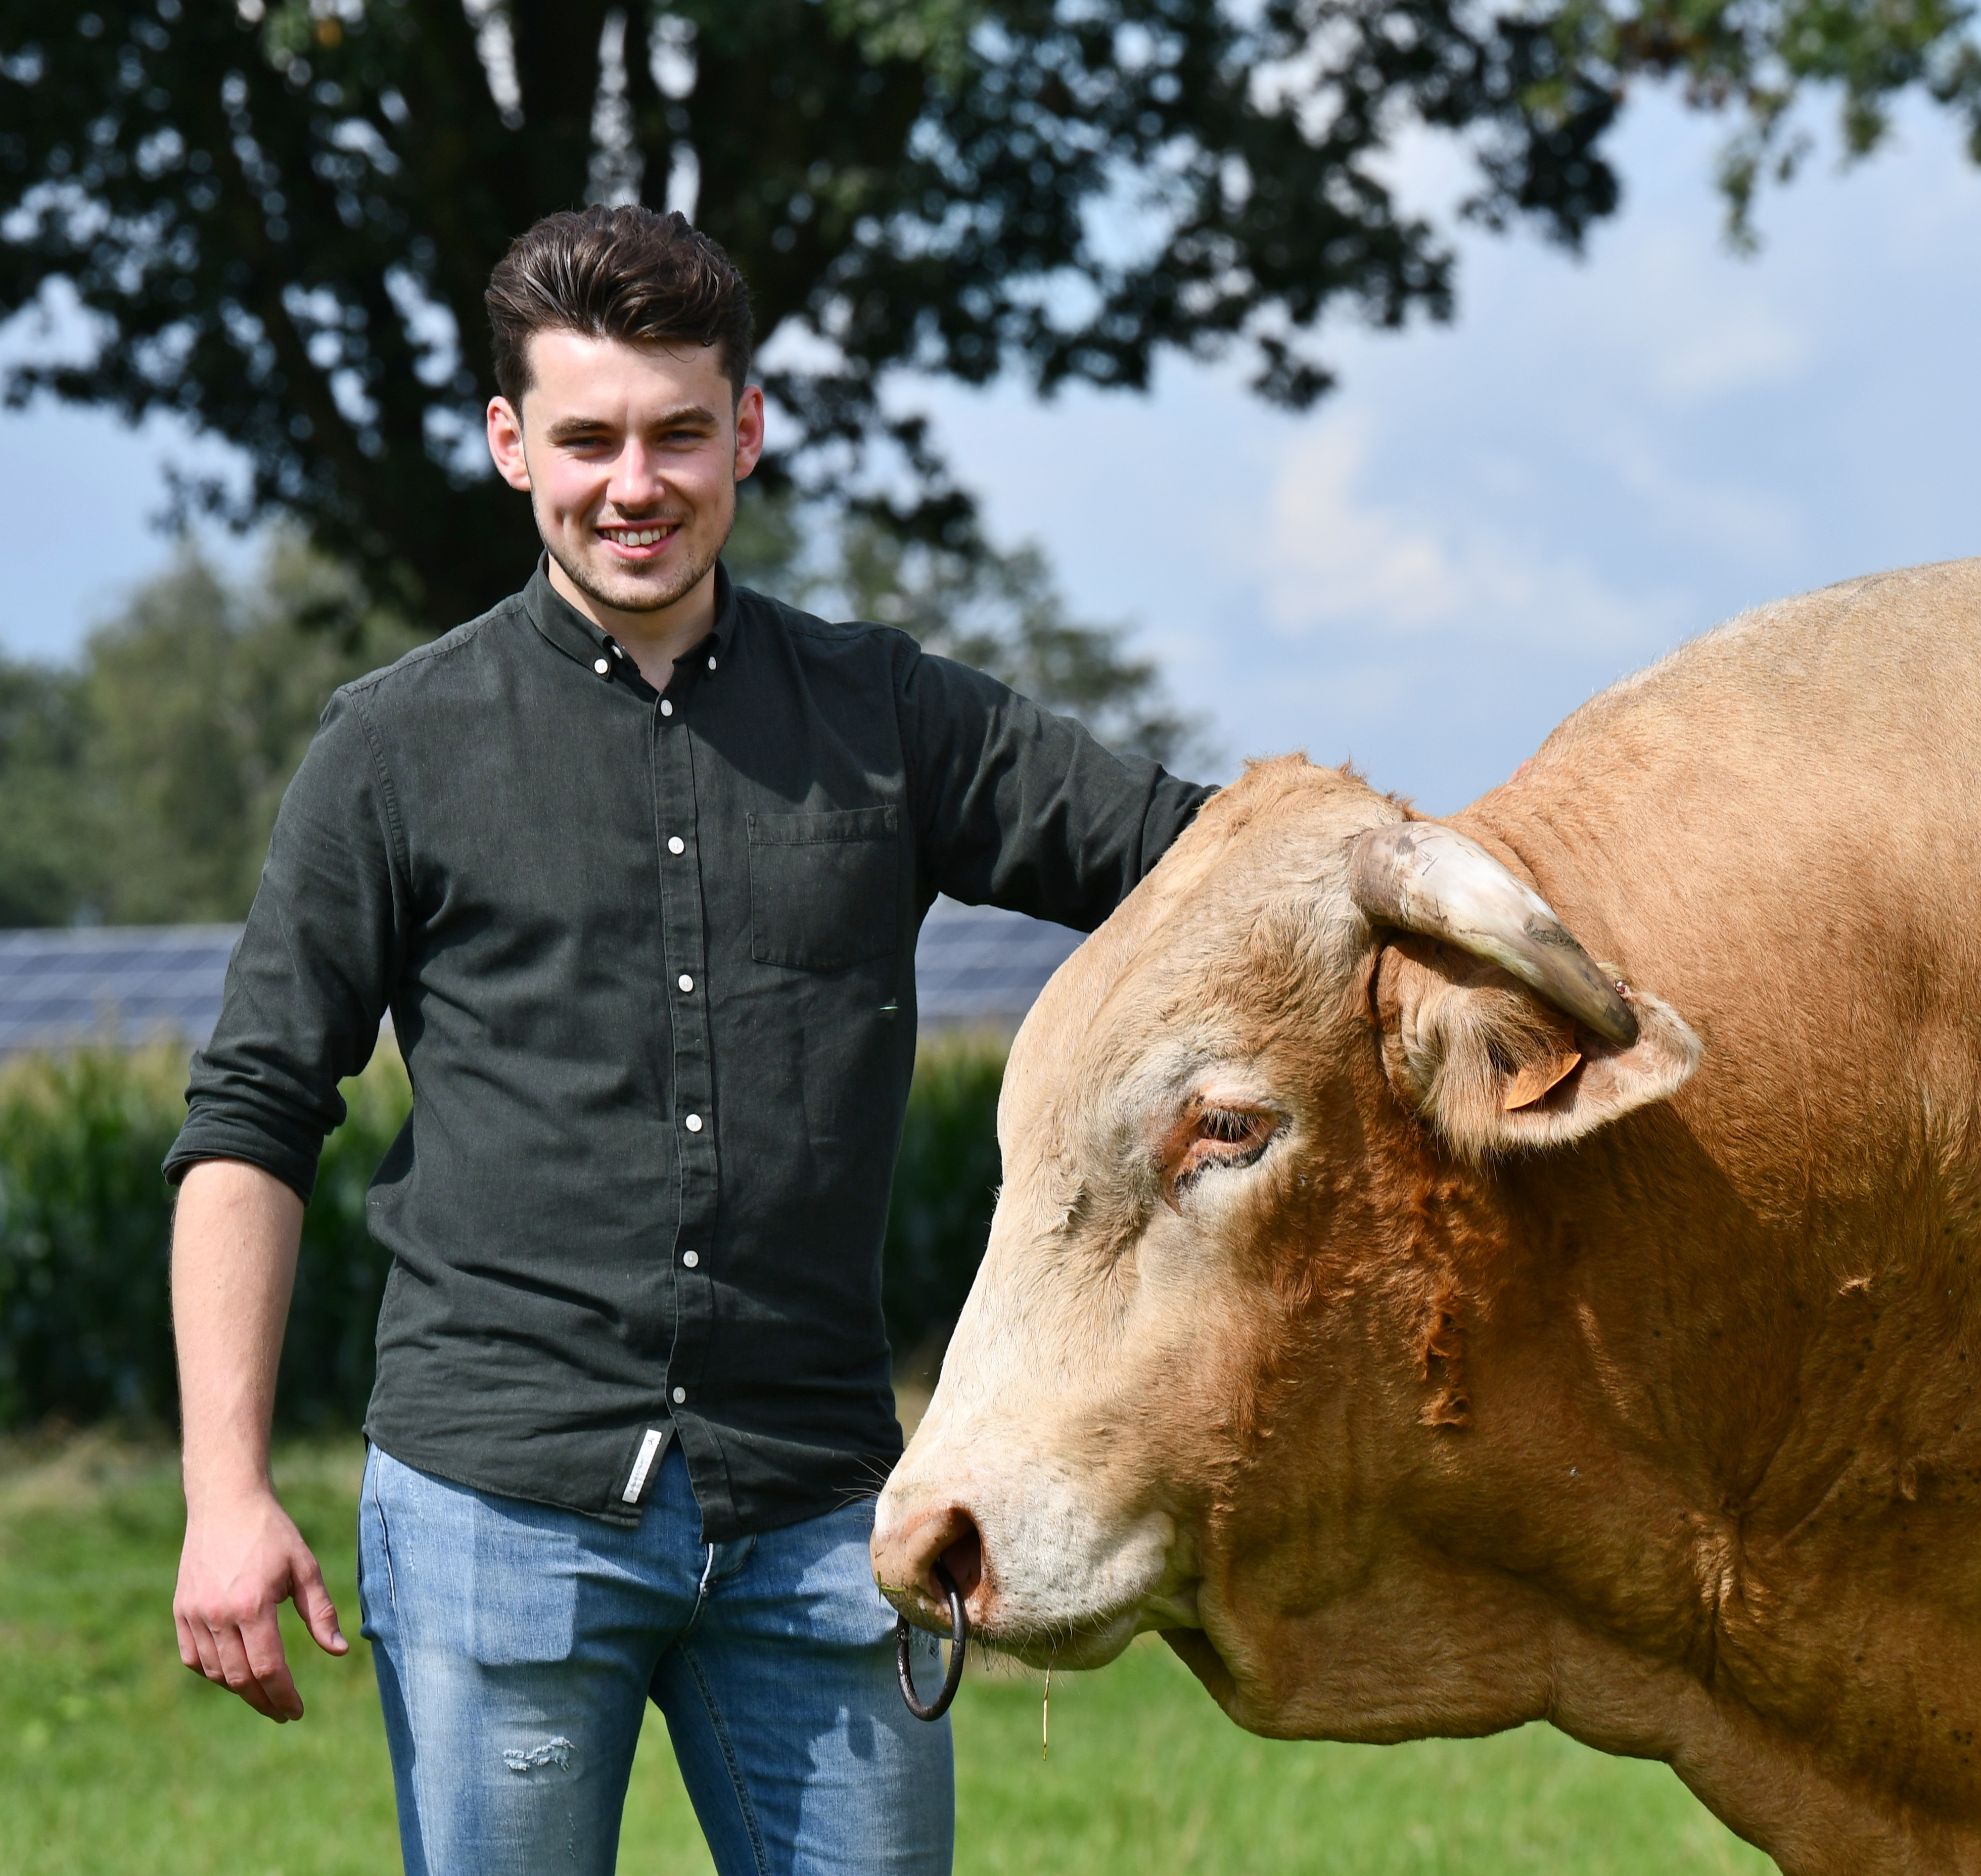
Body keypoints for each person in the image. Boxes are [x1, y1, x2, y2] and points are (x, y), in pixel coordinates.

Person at [162, 204, 1212, 1875]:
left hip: (818, 1515)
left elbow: (1197, 858)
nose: (632, 483)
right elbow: (252, 1120)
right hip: (493, 1511)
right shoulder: (392, 748)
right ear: (513, 446)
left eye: (675, 433)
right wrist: (226, 1494)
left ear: (748, 430)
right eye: (585, 439)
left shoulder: (890, 716)